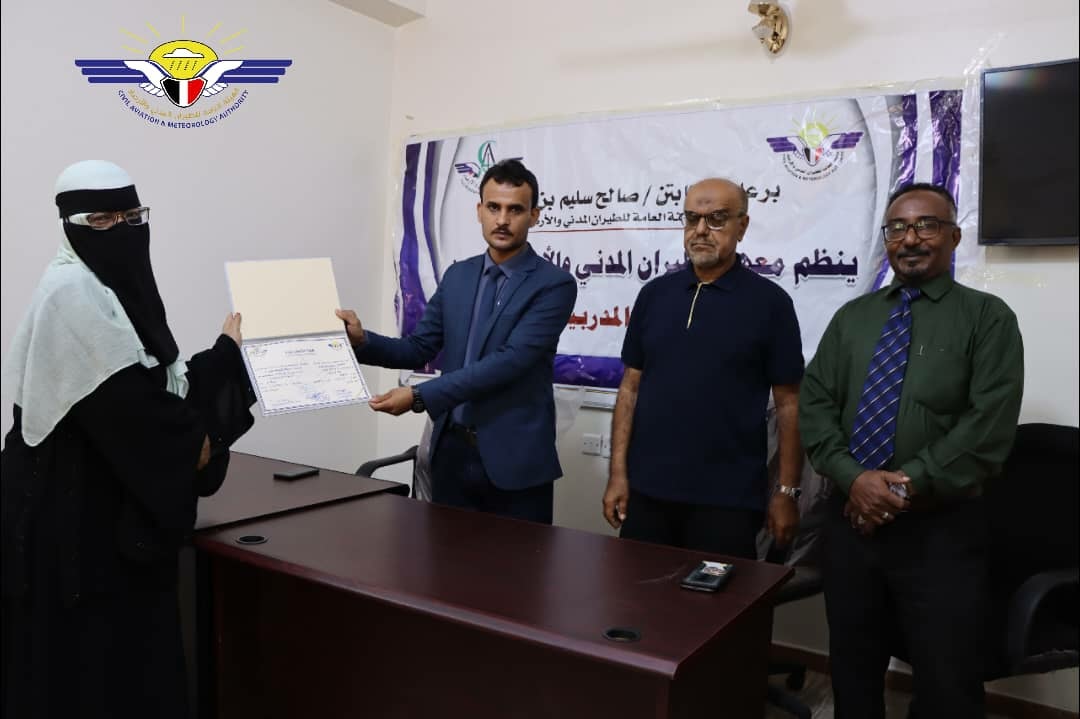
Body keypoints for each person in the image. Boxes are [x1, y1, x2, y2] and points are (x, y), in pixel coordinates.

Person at [1, 160, 256, 719]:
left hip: (93, 520)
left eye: (133, 216)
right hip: (76, 547)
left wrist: (216, 364)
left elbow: (148, 395)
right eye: (103, 221)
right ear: (71, 226)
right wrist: (225, 361)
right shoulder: (73, 299)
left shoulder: (104, 292)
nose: (122, 230)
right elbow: (168, 441)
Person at [799, 182, 1024, 718]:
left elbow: (987, 427)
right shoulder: (853, 318)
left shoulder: (988, 318)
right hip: (851, 525)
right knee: (852, 669)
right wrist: (853, 479)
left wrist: (897, 488)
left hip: (939, 532)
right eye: (897, 227)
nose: (910, 238)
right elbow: (816, 405)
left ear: (954, 237)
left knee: (948, 679)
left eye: (926, 225)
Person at [337, 159, 576, 524]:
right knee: (445, 557)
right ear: (479, 211)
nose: (502, 219)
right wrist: (361, 340)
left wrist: (419, 396)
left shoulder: (553, 284)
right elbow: (419, 347)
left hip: (515, 462)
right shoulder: (458, 275)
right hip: (451, 454)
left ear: (534, 216)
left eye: (515, 210)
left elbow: (510, 362)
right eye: (493, 207)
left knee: (518, 561)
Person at [601, 178, 805, 558]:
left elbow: (789, 405)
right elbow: (630, 388)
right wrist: (617, 474)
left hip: (728, 503)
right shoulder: (654, 296)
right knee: (635, 594)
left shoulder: (771, 304)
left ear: (742, 226)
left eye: (716, 219)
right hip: (647, 494)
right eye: (692, 218)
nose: (700, 230)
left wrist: (786, 492)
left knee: (721, 597)